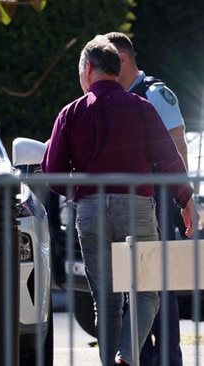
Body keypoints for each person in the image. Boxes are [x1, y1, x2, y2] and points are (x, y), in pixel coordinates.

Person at [41, 35, 196, 366]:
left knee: (106, 301)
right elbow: (170, 160)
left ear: (88, 69)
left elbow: (52, 173)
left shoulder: (70, 113)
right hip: (138, 208)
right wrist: (186, 200)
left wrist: (79, 193)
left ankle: (112, 361)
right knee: (148, 293)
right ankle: (128, 354)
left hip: (89, 212)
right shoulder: (142, 108)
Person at [105, 31, 187, 366]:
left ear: (121, 59)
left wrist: (183, 200)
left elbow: (178, 147)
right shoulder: (115, 98)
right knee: (131, 287)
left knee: (159, 287)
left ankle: (167, 358)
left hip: (158, 203)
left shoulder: (154, 93)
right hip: (129, 205)